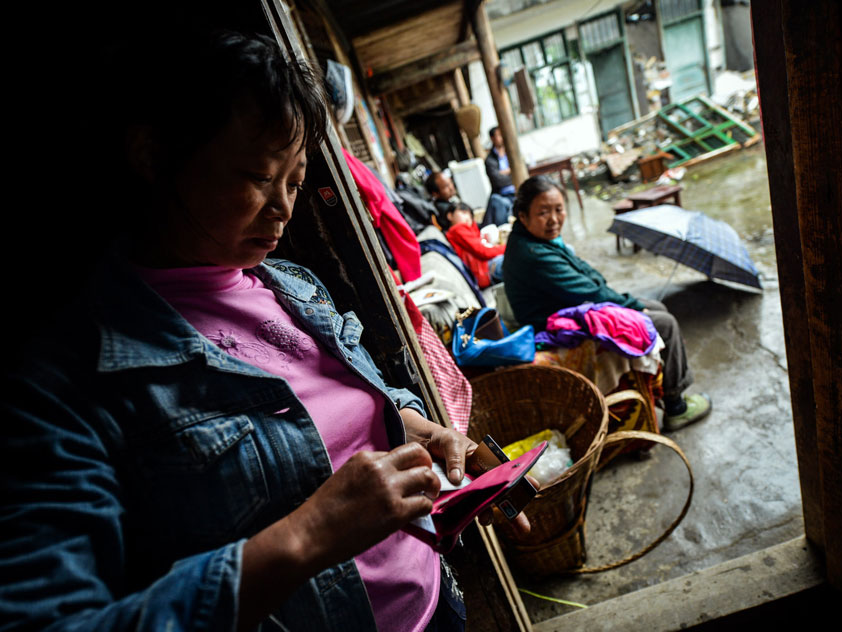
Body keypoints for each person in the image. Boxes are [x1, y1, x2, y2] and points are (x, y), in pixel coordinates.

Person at [0, 31, 527, 632]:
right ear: (152, 154)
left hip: (435, 599)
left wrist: (418, 428)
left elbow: (333, 408)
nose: (282, 207)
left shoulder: (289, 286)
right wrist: (309, 536)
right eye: (257, 175)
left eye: (295, 181)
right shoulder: (67, 380)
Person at [502, 176, 712, 430]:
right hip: (554, 325)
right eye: (543, 212)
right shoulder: (533, 253)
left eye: (558, 209)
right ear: (523, 216)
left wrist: (628, 302)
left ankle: (661, 388)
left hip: (568, 309)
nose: (554, 219)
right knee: (664, 322)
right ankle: (676, 407)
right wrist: (632, 306)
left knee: (656, 307)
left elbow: (587, 276)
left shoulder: (534, 240)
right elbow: (589, 291)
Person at [443, 205, 506, 289]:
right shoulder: (457, 229)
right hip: (486, 269)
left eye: (470, 215)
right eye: (464, 213)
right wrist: (508, 247)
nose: (468, 217)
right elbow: (484, 252)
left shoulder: (464, 230)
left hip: (487, 267)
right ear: (450, 216)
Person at [425, 170, 510, 229]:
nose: (451, 187)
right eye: (446, 186)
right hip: (476, 232)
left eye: (450, 182)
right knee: (496, 201)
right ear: (435, 193)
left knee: (499, 201)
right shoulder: (443, 209)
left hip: (477, 227)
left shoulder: (446, 202)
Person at [484, 126, 516, 200]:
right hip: (503, 195)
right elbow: (497, 181)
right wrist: (512, 171)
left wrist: (503, 172)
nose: (501, 137)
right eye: (498, 135)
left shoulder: (511, 153)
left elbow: (524, 167)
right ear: (492, 138)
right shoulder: (490, 160)